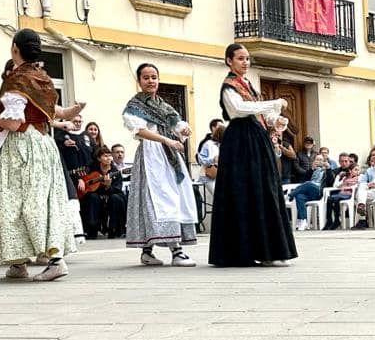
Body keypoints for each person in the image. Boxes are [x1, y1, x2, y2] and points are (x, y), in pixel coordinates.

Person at [0, 29, 80, 281]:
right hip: (43, 143)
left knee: (18, 202)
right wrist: (70, 112)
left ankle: (55, 260)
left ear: (15, 48)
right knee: (41, 200)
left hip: (21, 146)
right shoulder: (42, 77)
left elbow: (13, 123)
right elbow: (51, 110)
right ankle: (18, 262)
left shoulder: (16, 80)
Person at [210, 43, 297, 266]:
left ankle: (270, 250)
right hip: (240, 142)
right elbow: (237, 110)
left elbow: (260, 113)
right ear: (229, 61)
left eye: (247, 58)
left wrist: (275, 119)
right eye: (240, 58)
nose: (245, 62)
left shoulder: (249, 85)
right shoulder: (229, 86)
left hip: (257, 139)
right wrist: (273, 103)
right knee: (245, 191)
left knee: (266, 190)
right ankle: (246, 251)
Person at [122, 62, 199, 266]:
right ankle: (176, 251)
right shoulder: (134, 106)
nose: (151, 81)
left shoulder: (164, 106)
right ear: (139, 81)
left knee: (174, 196)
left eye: (154, 77)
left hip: (169, 155)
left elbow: (176, 123)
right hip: (151, 156)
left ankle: (149, 251)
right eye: (146, 77)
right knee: (159, 199)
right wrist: (165, 140)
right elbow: (139, 131)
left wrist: (183, 130)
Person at [80, 147, 128, 238]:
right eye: (105, 156)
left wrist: (107, 186)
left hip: (111, 196)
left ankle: (114, 229)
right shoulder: (91, 169)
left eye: (110, 156)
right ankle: (92, 228)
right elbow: (85, 180)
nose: (108, 158)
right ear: (99, 158)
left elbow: (117, 189)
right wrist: (81, 180)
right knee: (92, 197)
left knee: (116, 198)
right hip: (96, 196)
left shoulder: (115, 172)